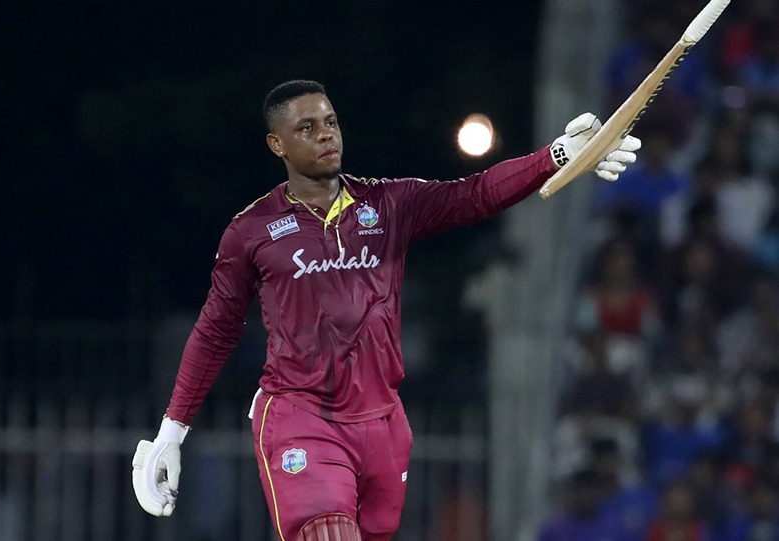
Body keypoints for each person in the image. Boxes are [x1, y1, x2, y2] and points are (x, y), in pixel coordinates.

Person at [131, 79, 641, 541]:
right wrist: (172, 432)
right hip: (300, 416)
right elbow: (215, 330)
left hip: (383, 424)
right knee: (328, 532)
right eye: (306, 128)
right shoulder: (251, 231)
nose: (325, 134)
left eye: (331, 122)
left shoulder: (390, 204)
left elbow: (477, 194)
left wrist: (558, 155)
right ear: (277, 144)